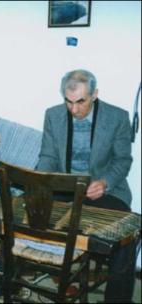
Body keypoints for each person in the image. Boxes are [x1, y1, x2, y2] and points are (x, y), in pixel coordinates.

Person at [36, 69, 138, 303]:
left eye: (80, 102)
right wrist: (40, 181)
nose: (74, 110)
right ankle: (50, 272)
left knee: (128, 234)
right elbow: (48, 157)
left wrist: (105, 182)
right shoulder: (53, 115)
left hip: (103, 190)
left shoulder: (117, 117)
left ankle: (117, 299)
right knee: (29, 211)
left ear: (95, 95)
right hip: (66, 189)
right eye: (68, 102)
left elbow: (123, 160)